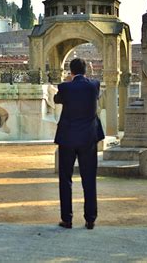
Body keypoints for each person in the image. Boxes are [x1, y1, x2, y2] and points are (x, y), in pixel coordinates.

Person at [53, 58, 105, 230]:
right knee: (89, 179)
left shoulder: (65, 87)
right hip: (88, 138)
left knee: (65, 180)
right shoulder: (94, 86)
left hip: (67, 137)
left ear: (71, 71)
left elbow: (56, 99)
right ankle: (90, 219)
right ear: (86, 71)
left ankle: (67, 219)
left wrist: (68, 82)